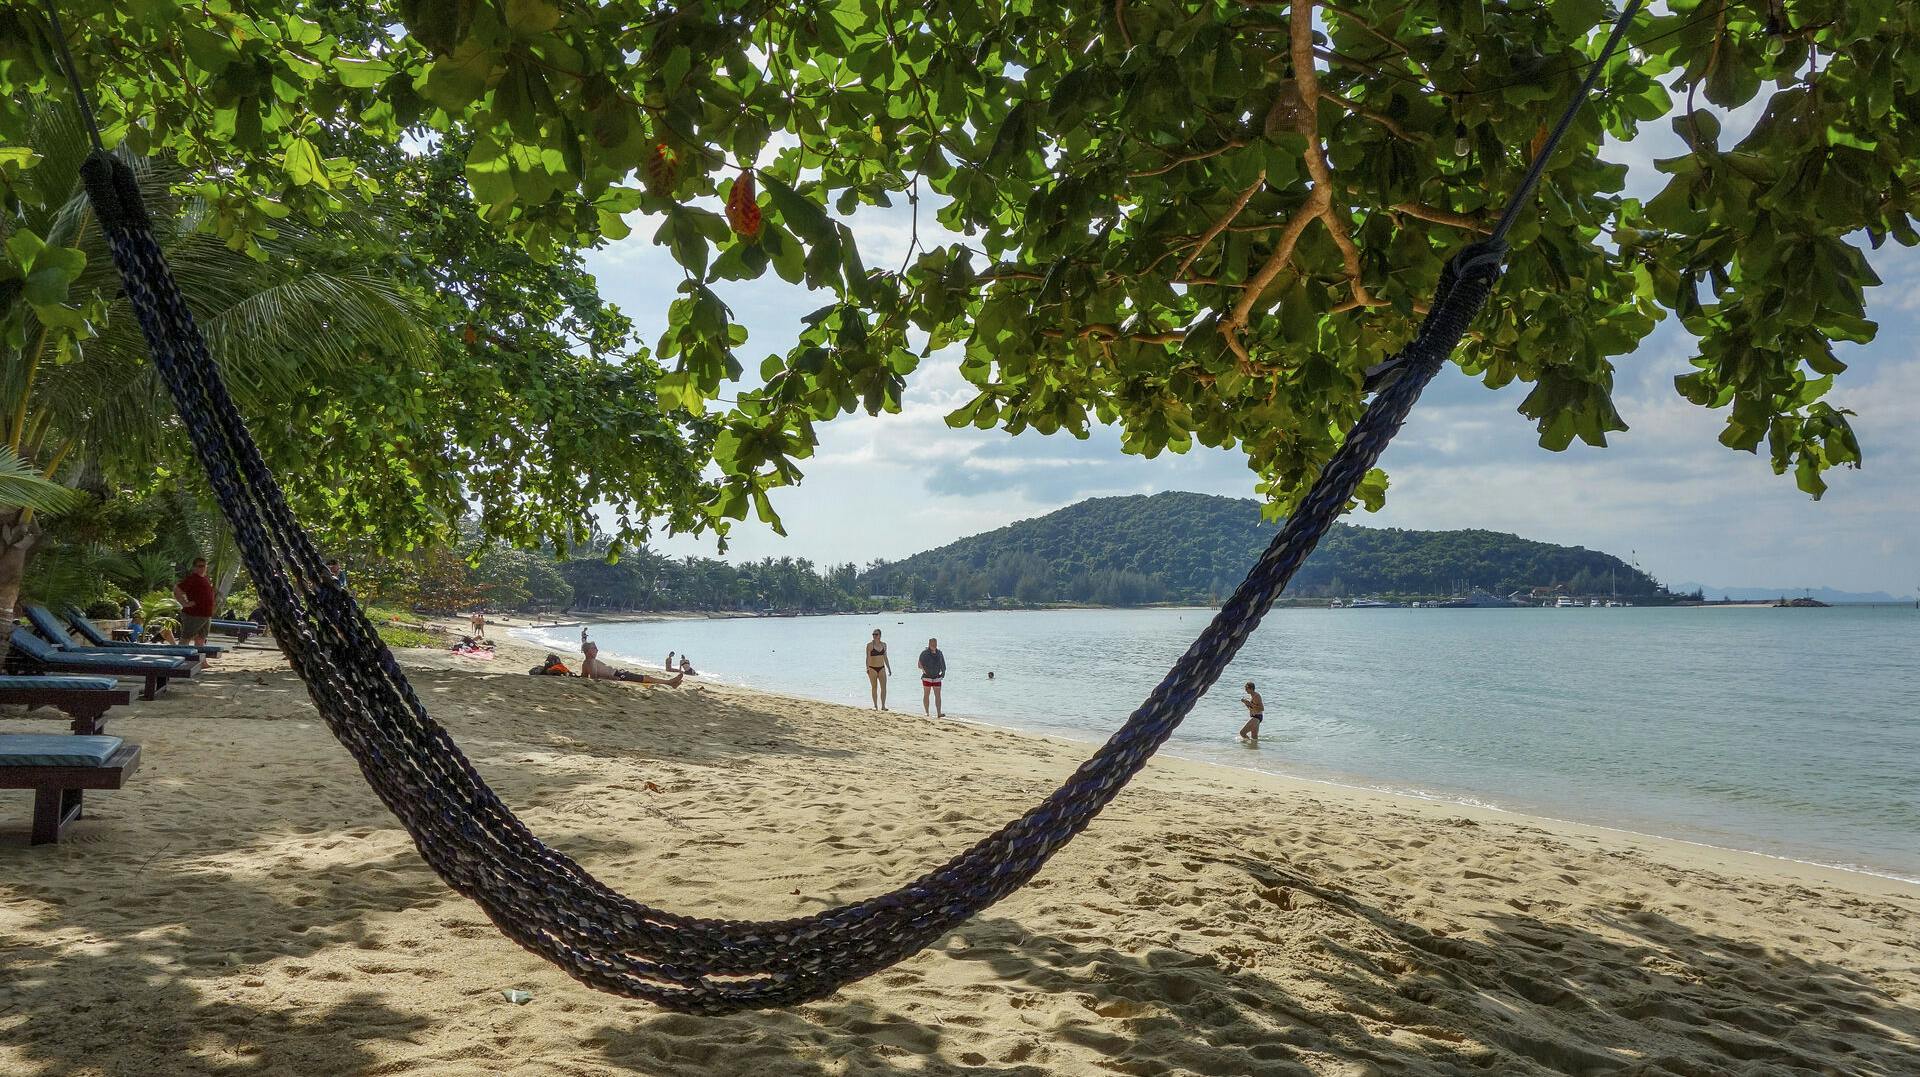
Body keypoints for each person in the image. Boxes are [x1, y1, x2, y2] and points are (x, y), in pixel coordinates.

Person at [579, 642, 682, 686]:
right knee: (646, 678)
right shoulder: (591, 661)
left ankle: (670, 683)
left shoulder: (585, 663)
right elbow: (594, 677)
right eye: (594, 648)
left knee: (646, 678)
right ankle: (669, 682)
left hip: (618, 673)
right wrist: (612, 679)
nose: (597, 650)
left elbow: (584, 677)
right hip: (618, 675)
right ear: (588, 651)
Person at [173, 556, 216, 649]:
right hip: (194, 614)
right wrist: (184, 603)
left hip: (206, 615)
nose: (202, 568)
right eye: (199, 566)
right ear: (194, 567)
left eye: (204, 566)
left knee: (201, 639)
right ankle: (181, 659)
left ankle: (201, 661)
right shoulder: (193, 578)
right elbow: (177, 589)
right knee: (186, 639)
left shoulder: (205, 578)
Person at [918, 637, 947, 717]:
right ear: (929, 644)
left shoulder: (939, 653)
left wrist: (943, 672)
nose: (934, 645)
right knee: (926, 694)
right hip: (927, 676)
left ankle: (939, 713)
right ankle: (927, 712)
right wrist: (923, 670)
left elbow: (943, 664)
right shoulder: (924, 653)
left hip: (937, 676)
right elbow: (919, 664)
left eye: (935, 643)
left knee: (938, 695)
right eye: (932, 644)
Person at [865, 629, 890, 710]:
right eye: (873, 634)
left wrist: (889, 668)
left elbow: (885, 657)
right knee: (874, 687)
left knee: (884, 688)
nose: (874, 636)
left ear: (880, 635)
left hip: (882, 668)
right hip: (872, 668)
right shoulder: (869, 645)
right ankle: (875, 705)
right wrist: (867, 668)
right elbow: (868, 658)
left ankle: (883, 706)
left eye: (876, 634)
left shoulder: (884, 645)